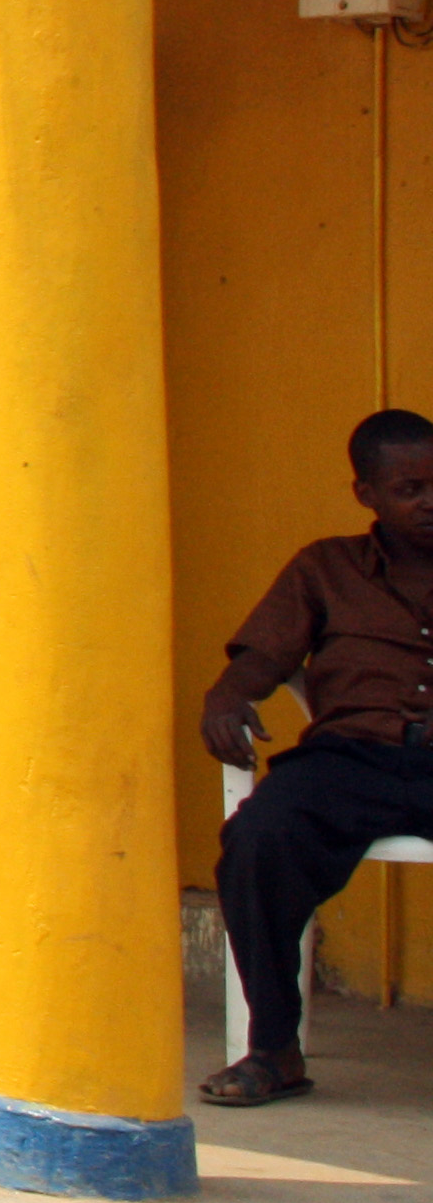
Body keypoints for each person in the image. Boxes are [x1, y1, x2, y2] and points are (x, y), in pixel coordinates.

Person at [195, 408, 433, 1107]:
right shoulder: (325, 567)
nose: (430, 502)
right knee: (258, 842)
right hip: (350, 759)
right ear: (367, 494)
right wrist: (224, 698)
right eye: (409, 488)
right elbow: (263, 656)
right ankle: (273, 1048)